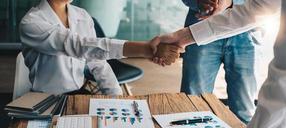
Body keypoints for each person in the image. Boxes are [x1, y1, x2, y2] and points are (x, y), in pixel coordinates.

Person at [151, 0, 286, 128]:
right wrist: (184, 36)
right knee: (193, 102)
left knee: (244, 106)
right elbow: (262, 5)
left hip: (247, 34)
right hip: (202, 25)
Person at [20, 0, 182, 95]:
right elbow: (79, 46)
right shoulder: (32, 22)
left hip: (78, 95)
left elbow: (97, 62)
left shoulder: (82, 16)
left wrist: (116, 97)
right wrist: (146, 49)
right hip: (44, 100)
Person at [181, 0, 262, 123]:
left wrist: (231, 2)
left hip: (246, 32)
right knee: (194, 106)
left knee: (244, 110)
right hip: (200, 29)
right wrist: (198, 2)